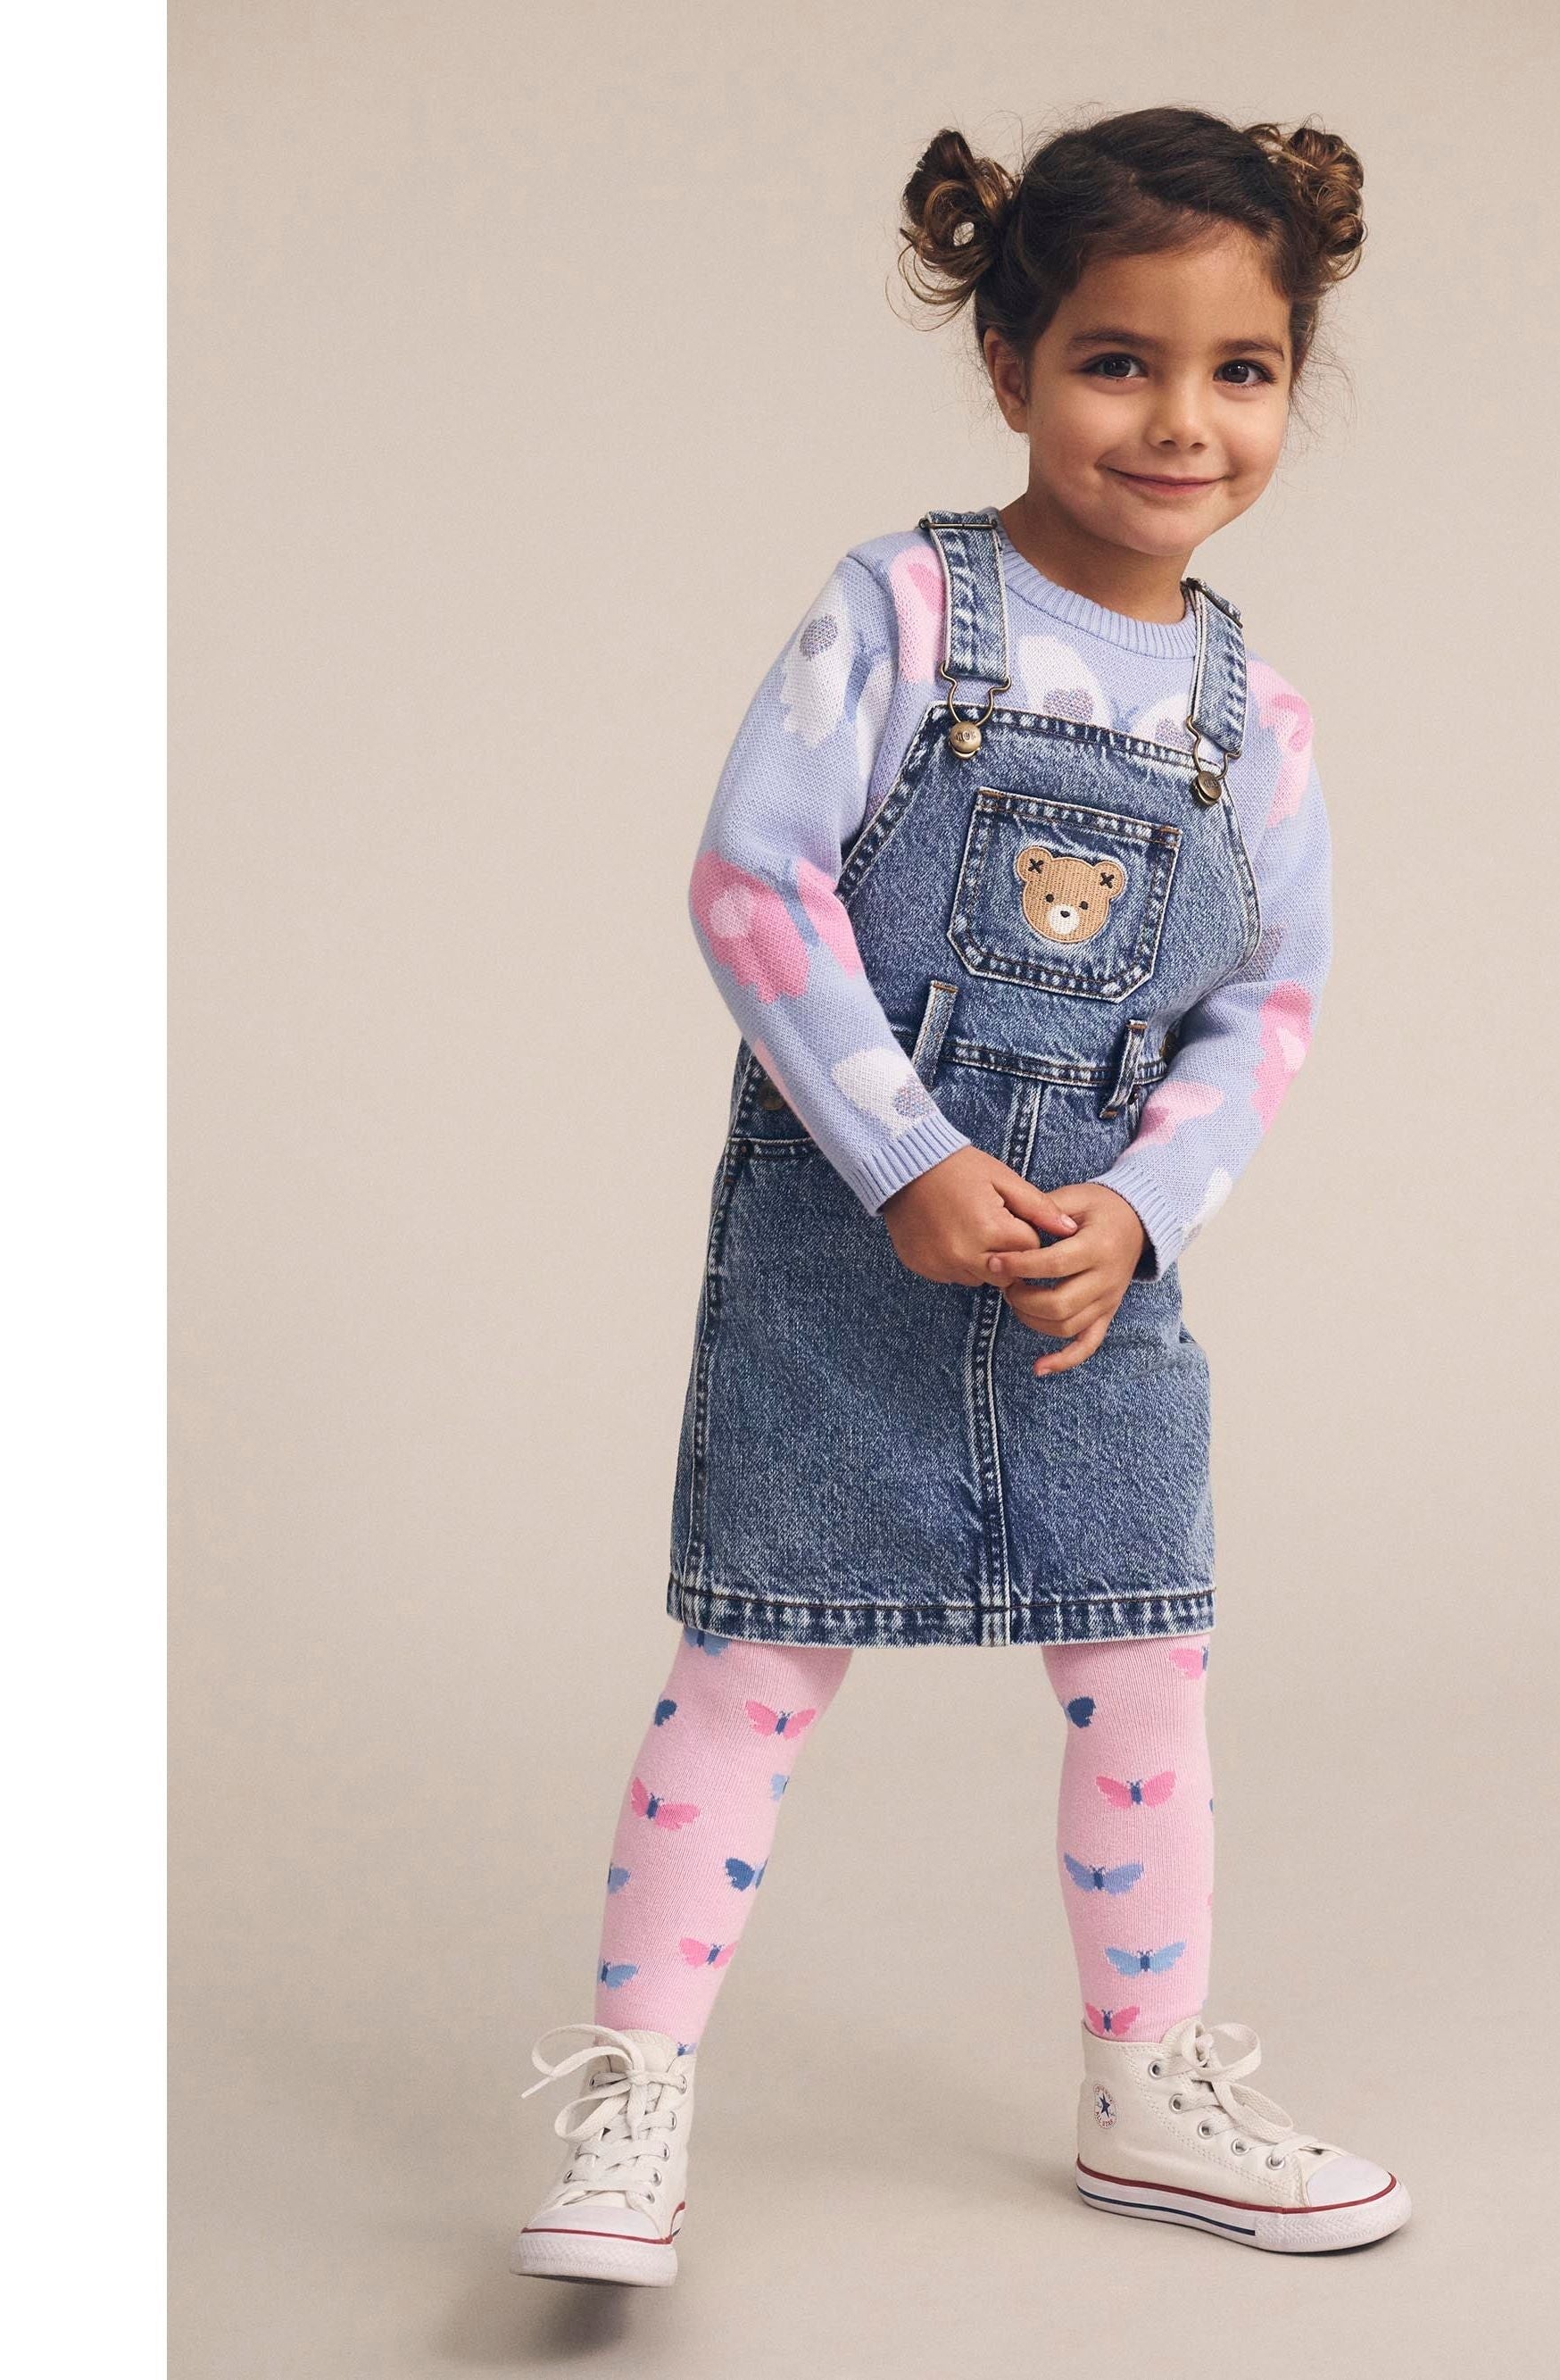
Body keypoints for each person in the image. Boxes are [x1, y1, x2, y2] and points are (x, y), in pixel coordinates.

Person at [512, 104, 1409, 2285]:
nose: (1178, 420)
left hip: (1093, 1283)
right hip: (847, 1242)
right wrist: (904, 1158)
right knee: (751, 1653)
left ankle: (1148, 2079)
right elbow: (754, 887)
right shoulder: (902, 611)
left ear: (1291, 381)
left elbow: (1268, 1004)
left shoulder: (1261, 723)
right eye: (1116, 360)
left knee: (1149, 1658)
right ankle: (631, 2095)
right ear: (1008, 363)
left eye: (1239, 369)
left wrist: (1149, 1211)